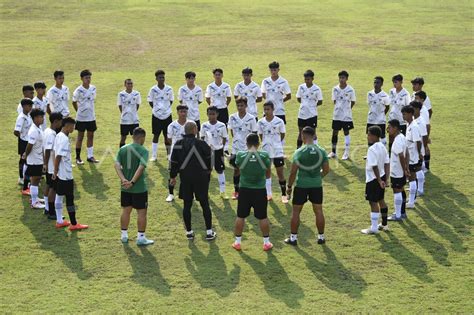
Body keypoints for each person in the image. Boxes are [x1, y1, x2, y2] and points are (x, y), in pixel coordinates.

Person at [169, 121, 216, 241]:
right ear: (195, 129)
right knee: (205, 204)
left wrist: (173, 176)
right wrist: (208, 171)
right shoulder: (201, 143)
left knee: (187, 205)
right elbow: (209, 159)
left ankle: (189, 232)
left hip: (186, 178)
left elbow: (173, 162)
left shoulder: (179, 144)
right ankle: (209, 232)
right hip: (201, 178)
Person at [285, 126, 329, 245]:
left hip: (301, 186)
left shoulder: (299, 152)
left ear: (302, 137)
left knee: (295, 212)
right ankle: (321, 237)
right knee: (318, 211)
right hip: (316, 185)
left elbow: (293, 172)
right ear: (314, 136)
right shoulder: (322, 151)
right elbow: (326, 170)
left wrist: (289, 187)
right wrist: (318, 177)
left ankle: (293, 238)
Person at [231, 133, 273, 251]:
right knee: (263, 217)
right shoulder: (264, 155)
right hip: (259, 190)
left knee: (240, 216)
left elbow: (237, 169)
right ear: (258, 143)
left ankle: (237, 242)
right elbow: (268, 172)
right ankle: (266, 242)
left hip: (244, 190)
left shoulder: (240, 155)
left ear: (246, 143)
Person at [114, 127, 153, 246]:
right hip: (139, 188)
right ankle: (141, 237)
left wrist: (124, 180)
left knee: (126, 210)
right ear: (142, 137)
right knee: (142, 212)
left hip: (124, 188)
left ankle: (124, 236)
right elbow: (141, 168)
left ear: (133, 136)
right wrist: (132, 182)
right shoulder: (143, 151)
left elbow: (116, 165)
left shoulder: (122, 149)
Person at [53, 117, 89, 230]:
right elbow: (59, 156)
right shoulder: (63, 139)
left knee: (59, 195)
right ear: (67, 126)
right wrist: (55, 170)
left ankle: (59, 220)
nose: (74, 128)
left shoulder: (58, 136)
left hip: (61, 173)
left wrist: (55, 171)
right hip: (65, 174)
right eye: (73, 126)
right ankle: (73, 224)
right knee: (69, 198)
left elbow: (55, 153)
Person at [361, 126, 390, 234]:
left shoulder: (372, 149)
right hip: (381, 177)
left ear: (373, 136)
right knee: (381, 200)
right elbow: (387, 163)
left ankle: (373, 228)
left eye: (368, 134)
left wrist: (378, 180)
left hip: (373, 179)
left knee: (373, 202)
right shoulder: (383, 147)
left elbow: (374, 166)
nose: (367, 136)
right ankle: (384, 224)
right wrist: (385, 179)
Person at [257, 101, 288, 203]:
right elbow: (260, 135)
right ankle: (268, 194)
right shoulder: (260, 122)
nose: (266, 111)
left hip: (277, 150)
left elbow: (282, 134)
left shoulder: (279, 121)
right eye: (265, 109)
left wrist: (276, 143)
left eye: (268, 109)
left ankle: (283, 194)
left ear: (273, 109)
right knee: (267, 171)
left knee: (280, 173)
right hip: (266, 151)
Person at [228, 97, 258, 200]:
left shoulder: (251, 118)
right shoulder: (232, 117)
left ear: (246, 106)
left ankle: (249, 190)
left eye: (242, 105)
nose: (240, 107)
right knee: (236, 170)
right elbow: (232, 131)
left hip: (247, 149)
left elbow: (254, 134)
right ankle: (236, 191)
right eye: (238, 105)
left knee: (248, 170)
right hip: (236, 149)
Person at [200, 106, 229, 199]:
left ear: (217, 114)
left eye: (213, 114)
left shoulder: (222, 125)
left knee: (220, 170)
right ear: (207, 114)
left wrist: (221, 147)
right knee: (207, 171)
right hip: (207, 152)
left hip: (218, 151)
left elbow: (225, 138)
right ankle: (205, 192)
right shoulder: (204, 125)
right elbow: (202, 138)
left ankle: (223, 191)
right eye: (210, 114)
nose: (211, 116)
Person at [261, 61, 291, 149]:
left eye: (275, 70)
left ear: (278, 70)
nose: (273, 72)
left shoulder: (283, 81)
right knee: (266, 130)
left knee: (280, 131)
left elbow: (288, 95)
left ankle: (280, 151)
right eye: (271, 70)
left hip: (279, 110)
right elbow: (263, 93)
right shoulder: (265, 81)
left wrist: (280, 101)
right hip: (267, 111)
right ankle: (267, 149)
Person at [165, 105, 192, 202]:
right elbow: (169, 139)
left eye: (185, 111)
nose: (183, 113)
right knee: (172, 175)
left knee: (188, 175)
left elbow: (195, 138)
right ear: (177, 112)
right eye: (181, 111)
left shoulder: (191, 124)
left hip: (188, 155)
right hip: (175, 154)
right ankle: (171, 194)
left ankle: (188, 194)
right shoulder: (171, 125)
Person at [73, 69, 98, 164]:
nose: (88, 79)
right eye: (86, 78)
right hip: (81, 118)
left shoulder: (93, 88)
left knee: (91, 136)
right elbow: (74, 102)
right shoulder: (78, 90)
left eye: (89, 77)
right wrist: (78, 111)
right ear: (81, 79)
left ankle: (90, 156)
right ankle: (78, 157)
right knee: (80, 137)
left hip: (91, 117)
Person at [329, 70, 356, 160]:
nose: (341, 79)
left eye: (343, 78)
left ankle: (346, 153)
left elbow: (353, 101)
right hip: (337, 115)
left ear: (347, 78)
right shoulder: (335, 89)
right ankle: (333, 152)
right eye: (340, 77)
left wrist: (347, 109)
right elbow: (334, 101)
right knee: (334, 132)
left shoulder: (350, 89)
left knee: (346, 132)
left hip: (346, 116)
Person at [148, 69, 174, 161]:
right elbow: (150, 102)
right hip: (156, 116)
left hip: (167, 115)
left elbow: (171, 101)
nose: (162, 79)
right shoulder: (153, 90)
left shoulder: (169, 89)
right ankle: (154, 156)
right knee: (156, 135)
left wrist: (165, 109)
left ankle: (169, 155)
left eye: (163, 77)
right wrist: (157, 110)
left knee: (167, 136)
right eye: (160, 77)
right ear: (156, 78)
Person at [386, 119, 409, 221]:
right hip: (401, 170)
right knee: (401, 189)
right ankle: (403, 212)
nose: (387, 129)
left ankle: (398, 215)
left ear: (395, 128)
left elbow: (401, 156)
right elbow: (407, 153)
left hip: (397, 170)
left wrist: (404, 169)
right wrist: (406, 168)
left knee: (397, 191)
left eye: (389, 127)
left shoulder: (397, 140)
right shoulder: (402, 137)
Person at [23, 109, 46, 209]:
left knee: (35, 179)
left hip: (38, 158)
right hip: (35, 160)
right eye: (41, 117)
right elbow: (29, 145)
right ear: (35, 118)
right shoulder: (33, 131)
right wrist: (25, 155)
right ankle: (34, 202)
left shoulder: (38, 128)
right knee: (35, 179)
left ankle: (35, 198)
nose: (43, 119)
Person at [205, 68, 231, 154]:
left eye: (219, 74)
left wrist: (224, 105)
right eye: (216, 74)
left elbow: (229, 98)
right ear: (213, 76)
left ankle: (225, 148)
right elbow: (207, 98)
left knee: (224, 128)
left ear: (222, 75)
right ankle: (211, 146)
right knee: (212, 127)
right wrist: (212, 106)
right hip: (213, 110)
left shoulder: (226, 86)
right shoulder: (210, 86)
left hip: (223, 110)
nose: (217, 76)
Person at [43, 112, 63, 220]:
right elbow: (48, 150)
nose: (61, 123)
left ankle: (46, 208)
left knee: (48, 185)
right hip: (51, 166)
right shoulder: (52, 134)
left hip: (48, 166)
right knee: (53, 189)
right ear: (56, 121)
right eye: (60, 121)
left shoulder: (46, 130)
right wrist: (47, 164)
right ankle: (51, 212)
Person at [296, 70, 323, 148]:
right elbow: (298, 98)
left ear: (312, 79)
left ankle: (316, 150)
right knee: (301, 132)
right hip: (301, 114)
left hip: (312, 115)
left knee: (313, 133)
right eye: (305, 79)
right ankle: (298, 150)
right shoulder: (301, 87)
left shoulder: (317, 89)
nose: (307, 81)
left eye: (308, 79)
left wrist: (312, 106)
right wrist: (305, 105)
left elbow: (320, 101)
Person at [402, 105, 422, 209]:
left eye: (404, 114)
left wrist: (419, 154)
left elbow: (417, 142)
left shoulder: (414, 127)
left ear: (410, 114)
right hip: (409, 155)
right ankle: (412, 200)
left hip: (412, 156)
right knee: (411, 178)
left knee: (412, 178)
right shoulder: (408, 124)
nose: (403, 116)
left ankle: (411, 202)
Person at [388, 74, 411, 153]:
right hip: (391, 119)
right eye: (393, 82)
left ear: (401, 82)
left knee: (401, 138)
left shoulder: (405, 94)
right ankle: (391, 153)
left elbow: (408, 107)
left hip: (401, 121)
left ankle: (402, 154)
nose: (394, 84)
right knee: (391, 137)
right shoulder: (391, 91)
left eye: (396, 82)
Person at [14, 98, 33, 192]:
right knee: (24, 160)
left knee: (25, 160)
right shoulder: (21, 117)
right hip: (24, 142)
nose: (31, 108)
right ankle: (23, 179)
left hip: (28, 141)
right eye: (29, 106)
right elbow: (16, 131)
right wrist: (23, 137)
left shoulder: (28, 116)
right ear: (24, 106)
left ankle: (25, 179)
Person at [366, 76, 390, 147]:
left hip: (380, 120)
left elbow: (387, 106)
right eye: (375, 82)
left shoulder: (385, 95)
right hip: (371, 119)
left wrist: (382, 114)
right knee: (370, 135)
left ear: (382, 84)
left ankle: (383, 151)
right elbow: (370, 105)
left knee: (382, 136)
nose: (376, 84)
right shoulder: (369, 94)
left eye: (378, 83)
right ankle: (370, 152)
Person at [117, 79, 141, 148]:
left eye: (131, 83)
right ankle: (121, 154)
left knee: (136, 137)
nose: (130, 85)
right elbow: (120, 105)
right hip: (124, 120)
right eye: (128, 83)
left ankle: (136, 153)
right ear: (125, 85)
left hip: (134, 120)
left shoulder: (137, 94)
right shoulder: (121, 94)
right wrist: (124, 113)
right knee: (123, 137)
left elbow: (137, 105)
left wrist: (133, 113)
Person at [411, 101, 428, 196]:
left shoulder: (421, 122)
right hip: (413, 149)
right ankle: (415, 186)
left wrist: (423, 149)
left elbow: (424, 137)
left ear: (417, 109)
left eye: (412, 108)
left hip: (418, 148)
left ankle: (420, 189)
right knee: (415, 168)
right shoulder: (414, 119)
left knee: (418, 169)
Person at [414, 90, 431, 172]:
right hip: (417, 134)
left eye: (416, 98)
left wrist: (426, 137)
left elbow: (427, 125)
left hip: (421, 135)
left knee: (422, 151)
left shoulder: (423, 111)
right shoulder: (417, 108)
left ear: (422, 100)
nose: (415, 100)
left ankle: (425, 167)